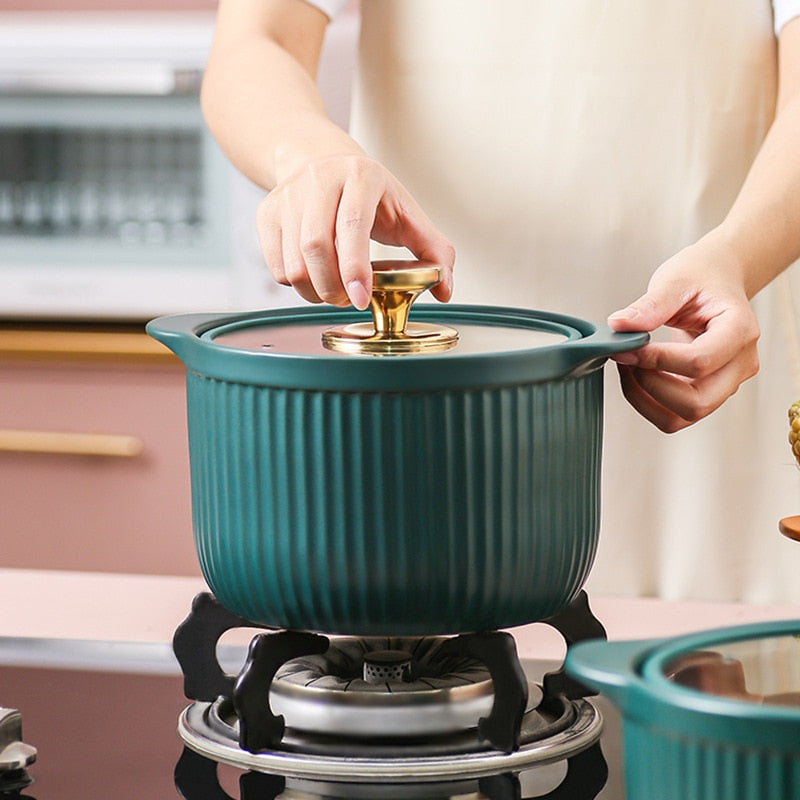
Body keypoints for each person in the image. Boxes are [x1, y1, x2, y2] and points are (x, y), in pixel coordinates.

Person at [200, 0, 800, 606]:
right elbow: (259, 39)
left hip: (712, 342)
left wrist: (739, 259)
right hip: (424, 401)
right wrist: (309, 157)